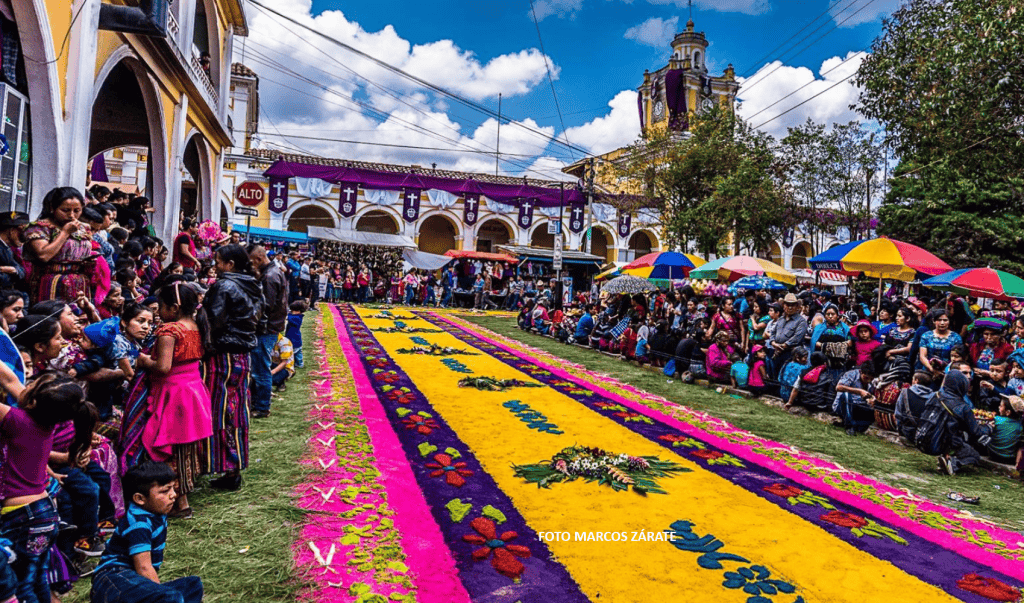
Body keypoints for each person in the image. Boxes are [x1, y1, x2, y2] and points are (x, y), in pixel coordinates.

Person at [0, 372, 96, 603]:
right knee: (38, 579)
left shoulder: (18, 421)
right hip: (43, 513)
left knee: (20, 587)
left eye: (32, 384)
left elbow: (9, 380)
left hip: (23, 516)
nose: (27, 384)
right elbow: (9, 379)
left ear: (34, 401)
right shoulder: (46, 419)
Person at [134, 283, 213, 518]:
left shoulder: (169, 331)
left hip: (173, 394)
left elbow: (163, 367)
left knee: (167, 446)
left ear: (174, 308)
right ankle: (182, 501)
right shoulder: (196, 326)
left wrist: (143, 360)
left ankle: (173, 501)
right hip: (193, 390)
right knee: (184, 447)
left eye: (161, 308)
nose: (158, 313)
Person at [90, 462, 204, 603]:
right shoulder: (139, 523)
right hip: (113, 579)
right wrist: (160, 594)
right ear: (140, 498)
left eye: (173, 488)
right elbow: (143, 568)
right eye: (165, 491)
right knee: (169, 597)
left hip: (129, 581)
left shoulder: (155, 513)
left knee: (193, 585)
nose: (173, 495)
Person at [201, 245, 262, 491]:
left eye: (218, 261)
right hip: (242, 354)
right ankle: (233, 467)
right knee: (237, 410)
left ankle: (224, 466)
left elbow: (213, 321)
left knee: (220, 410)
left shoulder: (224, 286)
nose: (215, 265)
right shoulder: (253, 284)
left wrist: (206, 345)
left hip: (223, 355)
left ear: (230, 264)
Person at [23, 187, 96, 303]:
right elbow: (43, 256)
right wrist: (65, 233)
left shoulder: (83, 227)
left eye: (77, 211)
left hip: (79, 284)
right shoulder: (40, 228)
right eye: (65, 210)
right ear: (53, 208)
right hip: (50, 283)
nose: (72, 215)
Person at [248, 245, 288, 420]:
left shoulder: (270, 277)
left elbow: (266, 306)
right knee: (259, 366)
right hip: (271, 326)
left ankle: (262, 406)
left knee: (260, 368)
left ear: (258, 259)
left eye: (251, 262)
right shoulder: (273, 272)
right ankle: (258, 403)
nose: (251, 266)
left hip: (267, 328)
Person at [934, 371, 992, 475]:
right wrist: (988, 427)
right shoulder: (963, 407)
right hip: (949, 441)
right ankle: (953, 463)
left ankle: (946, 456)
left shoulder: (936, 395)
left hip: (932, 436)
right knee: (974, 456)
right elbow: (976, 432)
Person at [769, 294, 809, 378]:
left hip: (791, 354)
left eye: (793, 305)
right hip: (777, 352)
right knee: (775, 374)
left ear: (797, 306)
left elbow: (797, 338)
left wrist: (783, 346)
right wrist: (773, 343)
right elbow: (772, 332)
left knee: (786, 376)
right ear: (784, 306)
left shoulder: (801, 321)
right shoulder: (781, 319)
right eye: (787, 305)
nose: (790, 308)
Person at [834, 362, 878, 435]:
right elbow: (838, 387)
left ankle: (854, 424)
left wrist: (872, 400)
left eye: (871, 379)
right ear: (861, 372)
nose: (868, 381)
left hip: (858, 406)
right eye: (866, 378)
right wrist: (859, 391)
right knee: (846, 395)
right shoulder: (851, 374)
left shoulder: (873, 381)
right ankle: (849, 426)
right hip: (843, 406)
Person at [918, 309, 964, 378]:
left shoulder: (956, 337)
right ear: (934, 321)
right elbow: (922, 356)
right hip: (928, 372)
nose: (942, 323)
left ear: (949, 321)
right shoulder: (926, 336)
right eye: (939, 320)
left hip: (948, 373)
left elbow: (958, 357)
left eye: (945, 320)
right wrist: (932, 370)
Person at [895, 372, 934, 442]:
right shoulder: (934, 397)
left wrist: (899, 429)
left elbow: (898, 413)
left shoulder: (905, 392)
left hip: (905, 430)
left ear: (916, 381)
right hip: (923, 433)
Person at [987, 395, 1022, 466]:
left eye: (1001, 406)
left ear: (1008, 412)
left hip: (993, 455)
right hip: (1009, 458)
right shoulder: (1020, 425)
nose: (999, 407)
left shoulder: (997, 420)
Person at [0, 211, 28, 294]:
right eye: (22, 234)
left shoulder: (6, 248)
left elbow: (22, 271)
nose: (24, 238)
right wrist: (13, 275)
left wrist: (13, 270)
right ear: (11, 231)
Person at [286, 300, 306, 369]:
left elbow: (289, 318)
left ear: (298, 311)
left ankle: (299, 363)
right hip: (295, 337)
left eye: (293, 310)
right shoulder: (297, 316)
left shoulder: (297, 318)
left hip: (294, 338)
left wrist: (286, 314)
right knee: (298, 352)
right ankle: (298, 363)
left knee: (295, 352)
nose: (291, 312)